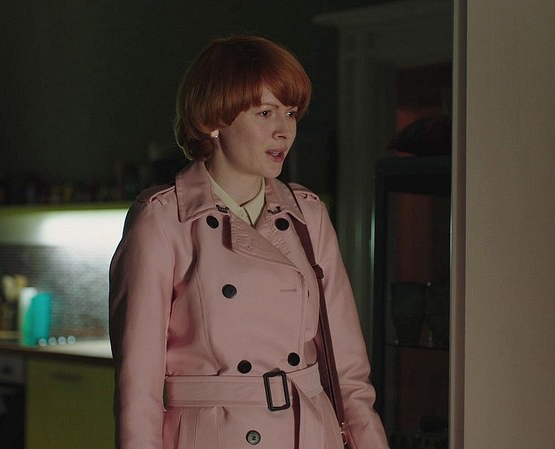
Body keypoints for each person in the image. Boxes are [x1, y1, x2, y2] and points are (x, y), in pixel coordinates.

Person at [109, 35, 390, 449]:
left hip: (310, 434)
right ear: (213, 120)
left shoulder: (308, 215)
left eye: (290, 113)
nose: (284, 131)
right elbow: (138, 392)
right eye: (265, 112)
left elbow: (349, 373)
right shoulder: (163, 220)